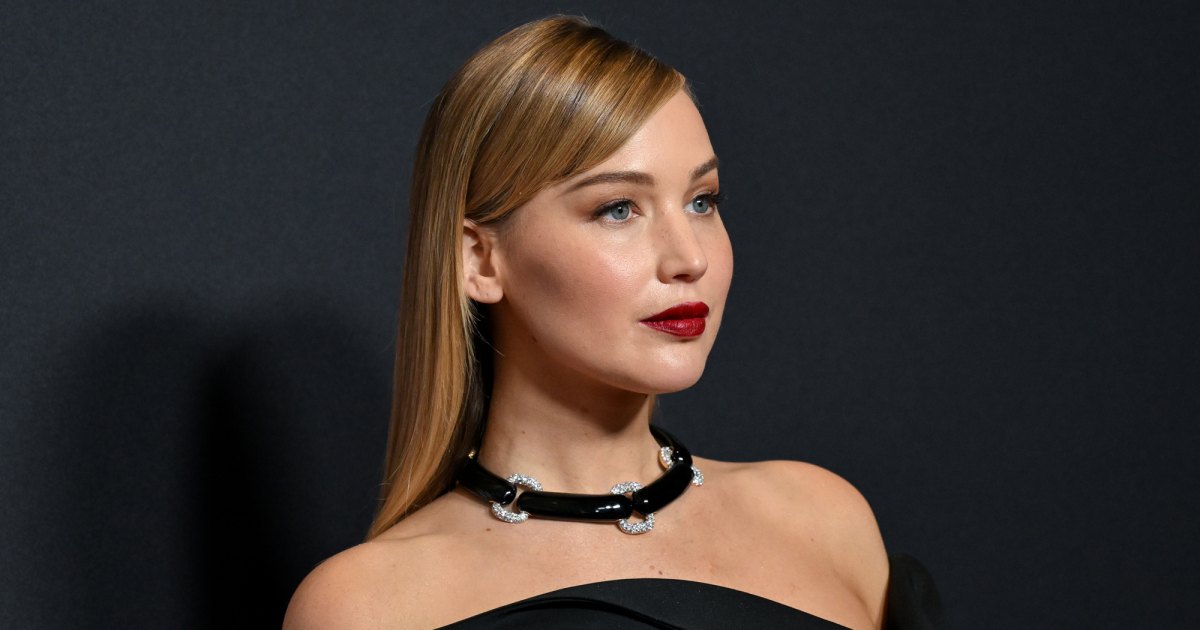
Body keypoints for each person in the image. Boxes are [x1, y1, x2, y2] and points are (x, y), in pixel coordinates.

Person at [285, 15, 940, 630]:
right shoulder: (372, 605)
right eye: (618, 208)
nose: (689, 258)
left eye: (702, 200)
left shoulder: (824, 519)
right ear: (478, 259)